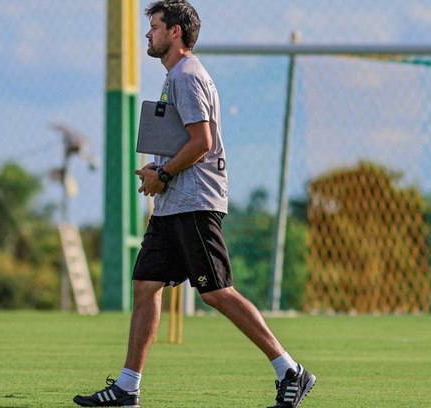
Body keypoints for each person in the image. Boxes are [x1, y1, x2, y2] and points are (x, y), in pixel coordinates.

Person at [73, 1, 316, 407]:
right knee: (146, 285)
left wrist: (163, 175)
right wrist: (158, 168)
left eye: (154, 27)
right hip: (173, 204)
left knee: (217, 292)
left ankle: (290, 370)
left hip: (193, 201)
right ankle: (128, 387)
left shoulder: (186, 75)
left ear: (176, 33)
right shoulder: (175, 77)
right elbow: (185, 140)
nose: (148, 35)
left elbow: (202, 142)